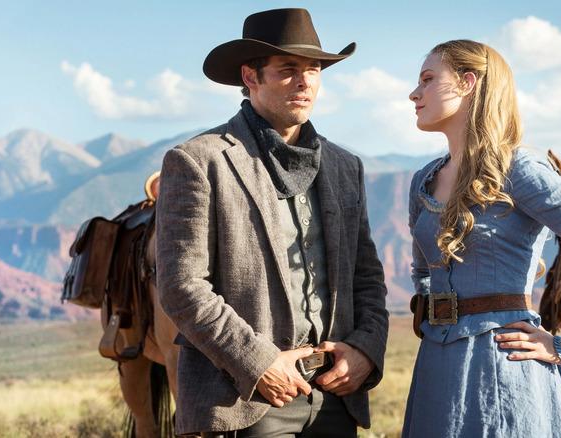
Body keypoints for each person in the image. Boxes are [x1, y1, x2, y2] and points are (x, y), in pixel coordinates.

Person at [155, 8, 389, 437]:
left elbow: (367, 276)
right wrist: (258, 362)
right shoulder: (198, 161)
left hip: (335, 395)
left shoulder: (344, 166)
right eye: (288, 70)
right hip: (244, 399)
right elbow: (180, 284)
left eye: (314, 70)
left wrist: (366, 350)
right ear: (250, 77)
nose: (305, 82)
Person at [402, 39, 561, 437]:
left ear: (467, 83)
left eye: (428, 79)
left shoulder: (520, 170)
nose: (415, 93)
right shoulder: (423, 181)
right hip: (437, 365)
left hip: (504, 364)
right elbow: (422, 269)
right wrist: (437, 320)